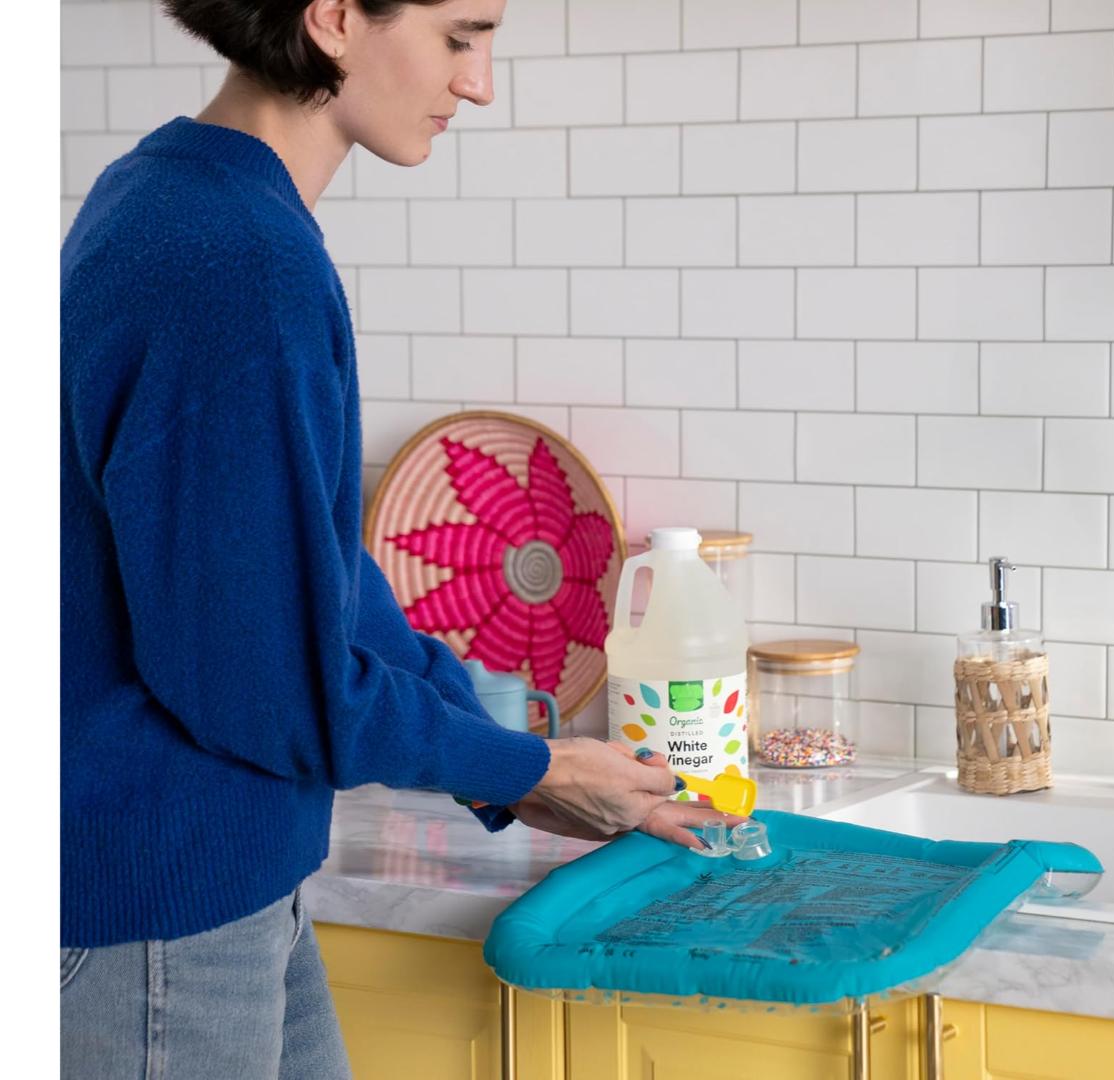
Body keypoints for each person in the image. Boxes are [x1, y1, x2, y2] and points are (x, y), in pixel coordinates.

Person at [60, 1, 742, 1075]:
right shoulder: (233, 258)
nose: (478, 83)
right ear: (335, 16)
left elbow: (315, 579)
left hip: (226, 883)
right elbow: (266, 683)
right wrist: (521, 766)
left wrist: (505, 757)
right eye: (460, 35)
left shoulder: (179, 199)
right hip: (162, 913)